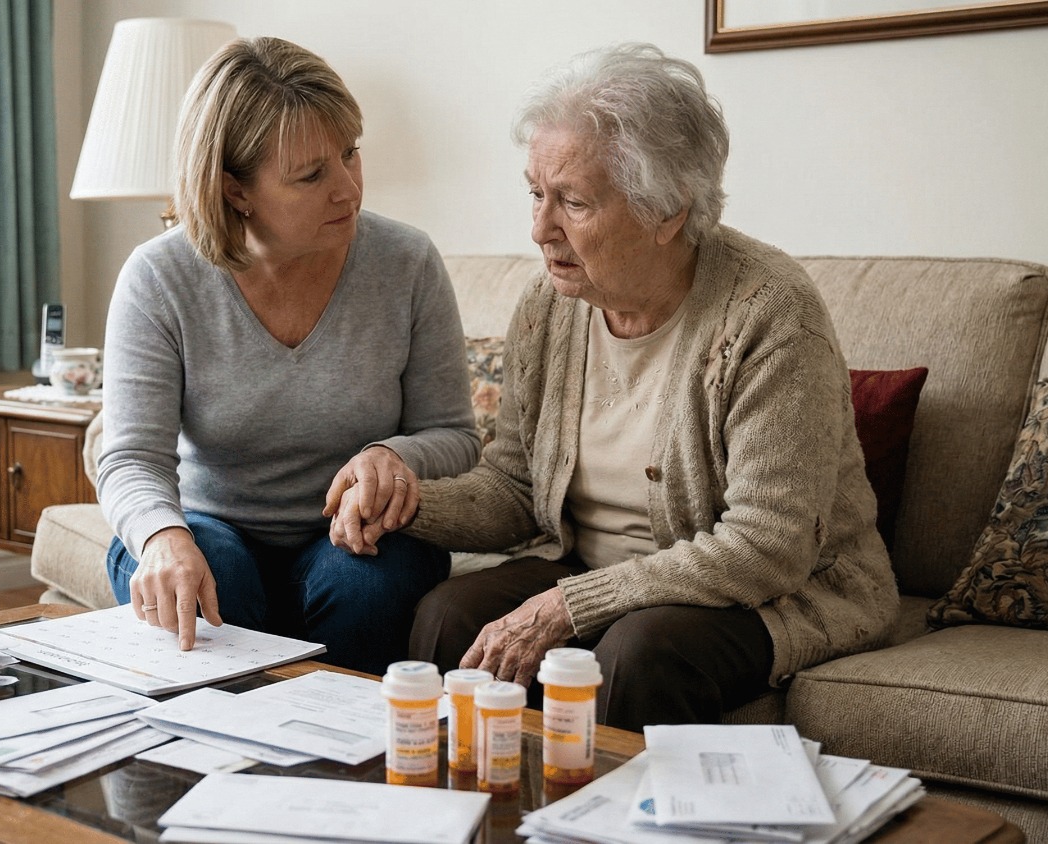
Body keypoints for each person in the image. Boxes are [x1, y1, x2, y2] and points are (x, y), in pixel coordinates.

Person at [330, 42, 899, 730]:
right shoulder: (549, 305)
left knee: (638, 653)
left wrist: (570, 605)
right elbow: (514, 488)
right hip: (593, 569)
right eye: (536, 194)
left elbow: (768, 545)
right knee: (447, 615)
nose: (540, 229)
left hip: (773, 591)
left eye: (572, 201)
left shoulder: (769, 311)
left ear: (668, 211)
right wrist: (405, 503)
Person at [98, 36, 480, 676]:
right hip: (205, 523)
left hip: (354, 536)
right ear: (235, 188)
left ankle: (350, 756)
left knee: (369, 589)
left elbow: (456, 436)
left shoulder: (407, 262)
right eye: (312, 175)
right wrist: (162, 537)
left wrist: (395, 455)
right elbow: (131, 457)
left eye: (351, 154)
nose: (349, 188)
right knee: (211, 577)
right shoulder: (160, 277)